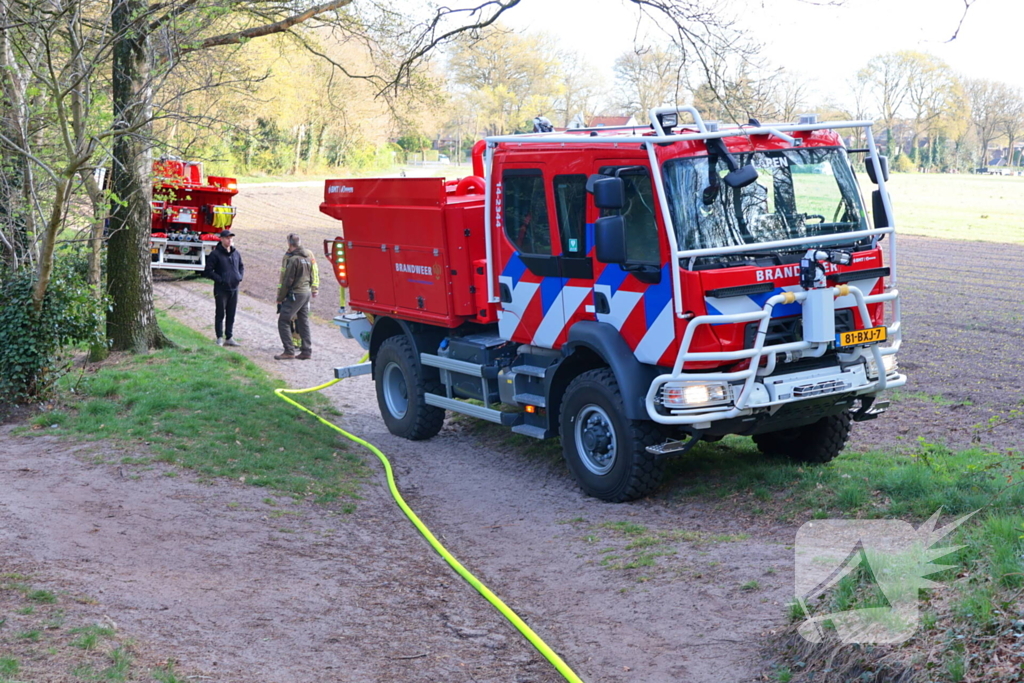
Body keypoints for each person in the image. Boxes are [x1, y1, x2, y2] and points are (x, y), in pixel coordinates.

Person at [275, 233, 317, 360]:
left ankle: (289, 350)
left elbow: (287, 280)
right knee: (303, 321)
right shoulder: (307, 258)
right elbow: (312, 276)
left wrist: (280, 298)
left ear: (289, 243)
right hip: (306, 293)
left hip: (296, 294)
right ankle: (306, 351)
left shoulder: (293, 260)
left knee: (283, 320)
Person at [203, 229, 244, 346]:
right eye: (227, 238)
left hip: (234, 288)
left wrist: (239, 276)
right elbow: (208, 271)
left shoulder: (236, 253)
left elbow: (241, 266)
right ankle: (219, 337)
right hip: (221, 289)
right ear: (221, 239)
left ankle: (229, 337)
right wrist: (220, 280)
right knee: (220, 313)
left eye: (231, 238)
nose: (229, 240)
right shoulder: (215, 254)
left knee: (231, 313)